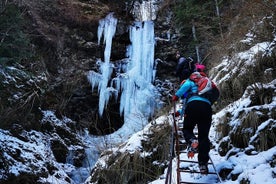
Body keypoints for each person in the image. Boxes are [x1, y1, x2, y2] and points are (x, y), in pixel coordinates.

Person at [172, 67, 212, 175]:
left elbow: (185, 92)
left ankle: (192, 140)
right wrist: (179, 112)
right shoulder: (206, 83)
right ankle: (203, 164)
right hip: (207, 107)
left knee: (187, 128)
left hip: (193, 106)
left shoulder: (189, 82)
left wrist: (176, 96)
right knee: (204, 136)